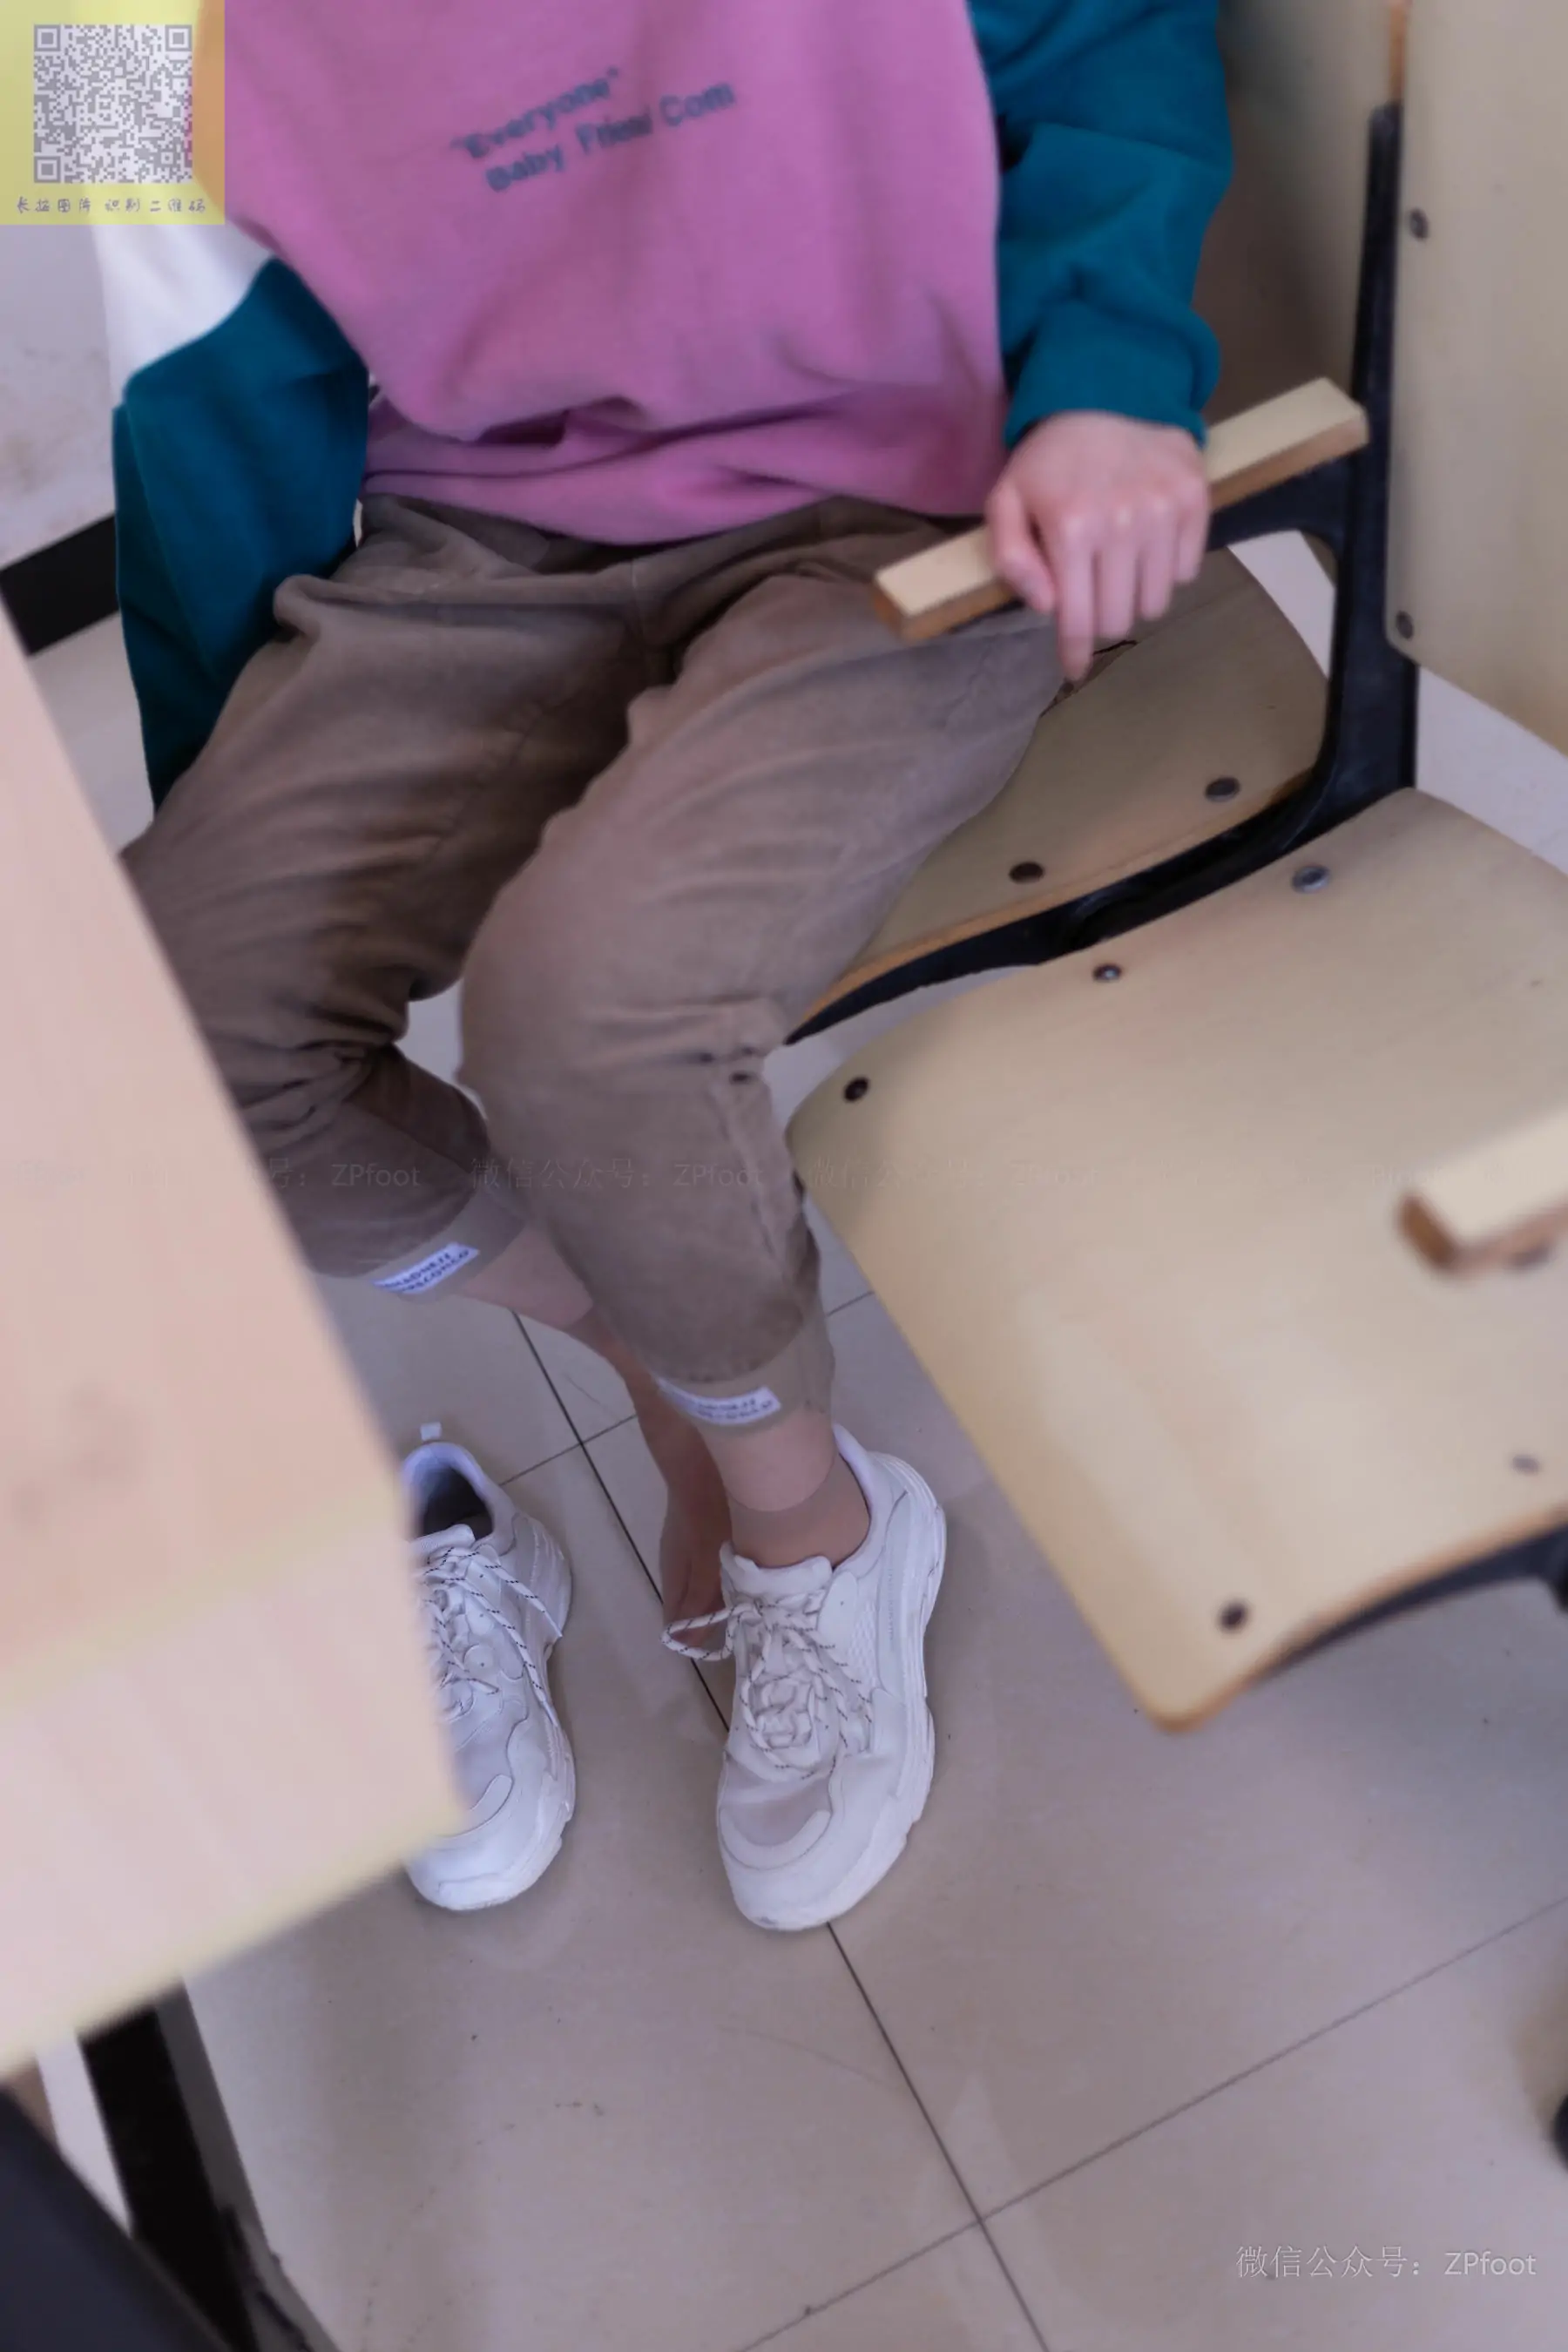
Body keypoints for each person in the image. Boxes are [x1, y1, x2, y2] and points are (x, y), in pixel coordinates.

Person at [101, 0, 1230, 1928]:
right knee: (162, 1040)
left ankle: (811, 1521)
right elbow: (186, 406)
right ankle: (669, 1355)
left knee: (585, 1018)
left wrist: (1113, 372)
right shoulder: (86, 39)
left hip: (915, 497)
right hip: (486, 542)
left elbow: (1110, 25)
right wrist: (240, 846)